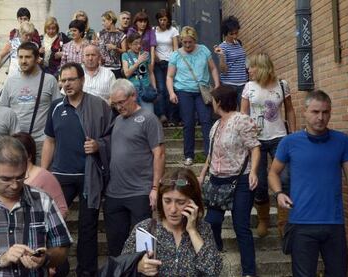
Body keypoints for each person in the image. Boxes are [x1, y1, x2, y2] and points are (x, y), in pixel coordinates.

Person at [268, 90, 348, 276]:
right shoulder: (289, 142)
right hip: (301, 223)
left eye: (325, 112)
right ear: (304, 111)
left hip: (334, 223)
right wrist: (279, 193)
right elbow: (273, 173)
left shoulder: (341, 141)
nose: (321, 117)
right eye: (315, 112)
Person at [41, 62, 112, 276]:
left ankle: (86, 272)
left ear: (82, 80)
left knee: (88, 227)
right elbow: (49, 141)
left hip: (89, 177)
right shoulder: (55, 107)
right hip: (61, 176)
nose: (67, 84)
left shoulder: (99, 105)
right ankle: (58, 268)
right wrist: (44, 172)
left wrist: (99, 145)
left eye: (71, 79)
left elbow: (112, 136)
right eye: (63, 80)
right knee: (53, 225)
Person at [0, 136, 72, 276]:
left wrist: (45, 259)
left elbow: (62, 248)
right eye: (6, 179)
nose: (15, 185)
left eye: (20, 177)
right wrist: (0, 259)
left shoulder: (42, 200)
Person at [198, 86, 260, 277]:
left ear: (220, 102)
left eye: (213, 100)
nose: (211, 103)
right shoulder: (216, 125)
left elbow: (255, 148)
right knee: (211, 222)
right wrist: (202, 173)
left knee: (241, 227)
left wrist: (254, 172)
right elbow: (212, 153)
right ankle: (217, 247)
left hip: (240, 180)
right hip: (217, 180)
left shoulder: (241, 120)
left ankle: (249, 272)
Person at [122, 168, 222, 276]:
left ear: (193, 202)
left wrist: (192, 231)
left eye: (181, 202)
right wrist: (138, 266)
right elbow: (122, 267)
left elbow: (214, 271)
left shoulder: (203, 229)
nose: (173, 209)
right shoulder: (145, 228)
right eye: (167, 201)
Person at [104, 79, 165, 257]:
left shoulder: (148, 118)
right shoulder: (117, 121)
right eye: (115, 104)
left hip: (140, 192)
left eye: (121, 102)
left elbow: (159, 154)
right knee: (115, 247)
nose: (118, 107)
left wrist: (155, 188)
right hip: (114, 194)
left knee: (145, 247)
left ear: (133, 96)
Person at [241, 53, 296, 238]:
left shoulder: (282, 84)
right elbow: (243, 114)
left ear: (262, 67)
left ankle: (283, 222)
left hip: (280, 137)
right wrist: (246, 134)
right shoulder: (249, 87)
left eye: (251, 66)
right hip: (256, 141)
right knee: (261, 183)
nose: (248, 70)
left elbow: (289, 109)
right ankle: (263, 220)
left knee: (285, 179)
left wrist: (293, 136)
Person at [0, 42, 61, 163]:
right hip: (17, 141)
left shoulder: (49, 80)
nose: (23, 61)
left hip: (42, 142)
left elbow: (57, 111)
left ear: (37, 58)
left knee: (41, 179)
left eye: (28, 57)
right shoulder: (10, 81)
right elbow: (3, 111)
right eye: (20, 57)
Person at [167, 26, 220, 166]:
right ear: (181, 41)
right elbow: (170, 76)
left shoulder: (203, 50)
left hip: (202, 91)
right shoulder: (176, 55)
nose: (188, 45)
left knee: (206, 121)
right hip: (184, 91)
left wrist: (217, 84)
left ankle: (210, 154)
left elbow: (213, 68)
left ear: (194, 40)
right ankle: (189, 155)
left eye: (190, 42)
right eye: (184, 42)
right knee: (188, 123)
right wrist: (171, 92)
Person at [12, 132, 68, 218]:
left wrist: (44, 226)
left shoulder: (44, 176)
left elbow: (62, 209)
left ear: (28, 155)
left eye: (15, 153)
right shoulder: (10, 176)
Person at [214, 16, 248, 105]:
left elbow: (244, 63)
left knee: (244, 113)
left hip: (243, 84)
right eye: (231, 34)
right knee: (230, 113)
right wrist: (221, 56)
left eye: (236, 33)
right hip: (229, 85)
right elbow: (223, 71)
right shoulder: (222, 47)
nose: (235, 36)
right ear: (226, 34)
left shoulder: (239, 44)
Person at [154, 9, 179, 126]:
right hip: (159, 63)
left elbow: (175, 48)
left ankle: (172, 117)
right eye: (160, 20)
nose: (163, 22)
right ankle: (162, 116)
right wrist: (155, 57)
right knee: (161, 90)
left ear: (168, 20)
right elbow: (151, 47)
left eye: (164, 19)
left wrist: (175, 62)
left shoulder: (173, 30)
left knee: (171, 90)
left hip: (171, 63)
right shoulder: (154, 31)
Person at [122, 32, 157, 112]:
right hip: (132, 91)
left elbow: (151, 73)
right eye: (135, 44)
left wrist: (154, 88)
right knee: (134, 115)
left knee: (149, 114)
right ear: (129, 45)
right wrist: (138, 62)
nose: (138, 46)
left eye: (140, 43)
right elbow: (127, 74)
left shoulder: (146, 54)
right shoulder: (125, 55)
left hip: (145, 88)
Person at [98, 10, 127, 79]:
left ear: (110, 21)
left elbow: (124, 51)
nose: (102, 23)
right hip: (102, 68)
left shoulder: (121, 35)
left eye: (104, 21)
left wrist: (115, 48)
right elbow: (97, 50)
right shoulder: (100, 34)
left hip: (115, 68)